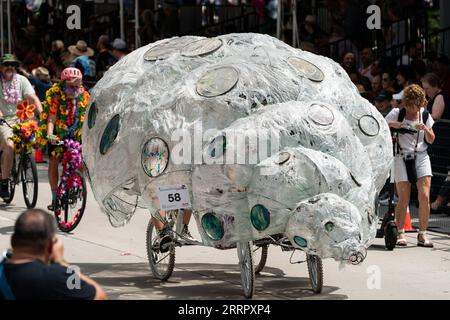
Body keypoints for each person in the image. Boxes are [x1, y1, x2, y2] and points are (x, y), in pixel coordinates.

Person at [0, 209, 106, 300]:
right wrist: (61, 263)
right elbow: (99, 296)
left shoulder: (2, 272)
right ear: (50, 245)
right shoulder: (54, 276)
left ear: (13, 241)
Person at [385, 84, 435, 248]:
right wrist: (396, 125)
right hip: (401, 156)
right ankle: (400, 232)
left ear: (421, 102)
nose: (413, 109)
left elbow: (431, 139)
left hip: (421, 156)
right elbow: (382, 127)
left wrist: (425, 129)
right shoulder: (396, 114)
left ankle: (423, 233)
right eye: (410, 105)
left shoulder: (425, 115)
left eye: (416, 105)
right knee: (404, 197)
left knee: (425, 195)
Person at [37, 68, 89, 210]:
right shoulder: (56, 96)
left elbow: (88, 118)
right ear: (64, 84)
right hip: (59, 135)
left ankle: (77, 187)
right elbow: (51, 118)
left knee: (81, 161)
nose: (74, 89)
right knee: (54, 160)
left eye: (77, 86)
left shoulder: (84, 96)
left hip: (76, 135)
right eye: (71, 86)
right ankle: (55, 197)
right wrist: (50, 134)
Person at [0, 54, 42, 199]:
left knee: (32, 138)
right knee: (10, 147)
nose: (10, 67)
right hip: (3, 120)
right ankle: (4, 182)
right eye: (6, 64)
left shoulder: (22, 80)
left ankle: (25, 159)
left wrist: (42, 114)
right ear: (1, 67)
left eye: (13, 64)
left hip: (22, 118)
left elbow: (33, 98)